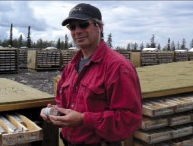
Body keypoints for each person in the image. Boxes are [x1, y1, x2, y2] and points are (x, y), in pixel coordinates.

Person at [40, 3, 142, 146]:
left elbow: (129, 119)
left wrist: (83, 119)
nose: (77, 31)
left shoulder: (118, 67)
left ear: (99, 27)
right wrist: (54, 112)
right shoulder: (71, 66)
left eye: (83, 24)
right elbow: (62, 102)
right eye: (72, 27)